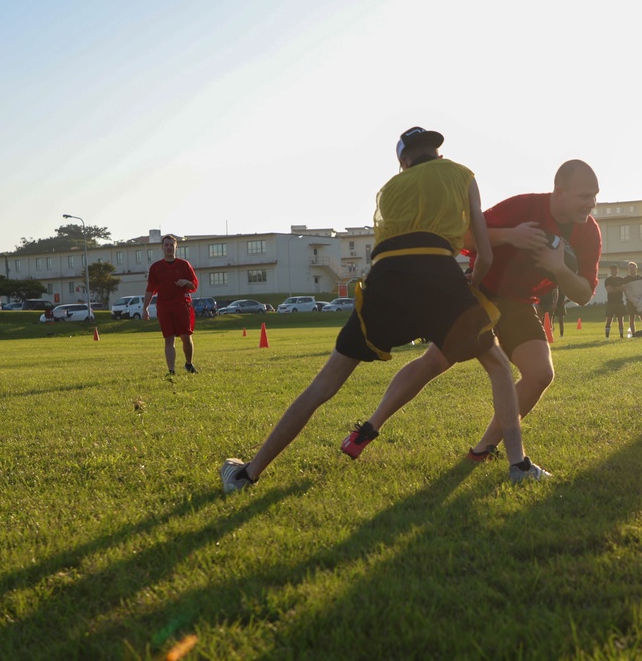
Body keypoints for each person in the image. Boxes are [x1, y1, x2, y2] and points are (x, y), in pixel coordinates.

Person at [220, 126, 539, 492]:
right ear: (436, 152)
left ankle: (248, 473)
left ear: (403, 161)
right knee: (498, 365)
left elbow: (397, 241)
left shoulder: (390, 189)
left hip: (386, 275)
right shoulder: (463, 175)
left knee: (324, 384)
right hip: (438, 270)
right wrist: (470, 287)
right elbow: (485, 252)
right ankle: (519, 466)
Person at [342, 159, 601, 467]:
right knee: (436, 361)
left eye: (594, 195)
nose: (591, 203)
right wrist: (510, 235)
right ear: (559, 192)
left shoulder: (590, 233)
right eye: (584, 195)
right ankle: (368, 429)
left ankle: (484, 448)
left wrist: (558, 268)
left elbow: (584, 294)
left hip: (518, 303)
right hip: (481, 292)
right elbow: (460, 236)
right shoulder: (524, 207)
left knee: (540, 374)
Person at [143, 235, 199, 375]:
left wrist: (185, 281)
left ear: (176, 247)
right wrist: (145, 309)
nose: (169, 247)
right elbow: (150, 289)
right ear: (162, 247)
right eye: (166, 245)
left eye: (171, 245)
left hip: (181, 305)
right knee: (169, 338)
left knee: (186, 337)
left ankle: (189, 364)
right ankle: (171, 370)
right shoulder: (156, 267)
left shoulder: (184, 265)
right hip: (164, 306)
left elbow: (194, 285)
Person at [623, 262, 642, 335]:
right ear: (629, 269)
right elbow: (627, 293)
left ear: (636, 268)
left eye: (633, 268)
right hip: (630, 302)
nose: (632, 269)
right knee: (631, 319)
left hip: (641, 302)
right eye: (630, 268)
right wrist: (635, 301)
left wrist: (640, 303)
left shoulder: (641, 278)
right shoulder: (626, 279)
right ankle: (633, 333)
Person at [603, 264, 625, 338]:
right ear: (610, 271)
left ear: (617, 270)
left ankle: (621, 336)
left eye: (615, 269)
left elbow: (623, 288)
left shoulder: (621, 279)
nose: (614, 271)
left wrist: (614, 288)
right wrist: (617, 288)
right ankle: (607, 336)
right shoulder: (608, 280)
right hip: (611, 303)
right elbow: (609, 290)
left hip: (619, 302)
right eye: (612, 269)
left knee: (620, 320)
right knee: (609, 319)